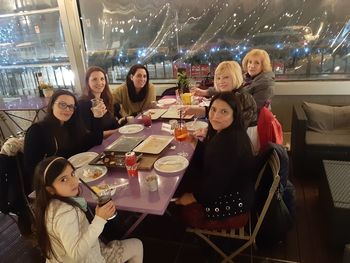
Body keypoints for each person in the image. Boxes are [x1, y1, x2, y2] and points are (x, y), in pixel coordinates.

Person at [33, 156, 143, 262]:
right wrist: (99, 219)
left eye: (72, 174)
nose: (73, 181)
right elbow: (76, 254)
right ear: (50, 189)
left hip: (69, 257)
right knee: (137, 245)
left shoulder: (48, 206)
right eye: (63, 179)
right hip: (89, 259)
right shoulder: (66, 213)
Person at [175, 92, 255, 230]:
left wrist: (190, 198)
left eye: (224, 111)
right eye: (213, 109)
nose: (215, 116)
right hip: (234, 191)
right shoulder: (228, 133)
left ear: (234, 115)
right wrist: (193, 140)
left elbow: (213, 187)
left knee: (181, 207)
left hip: (233, 206)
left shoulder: (229, 144)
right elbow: (210, 160)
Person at [23, 89, 105, 193]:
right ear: (52, 105)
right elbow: (32, 170)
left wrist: (97, 117)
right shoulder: (37, 131)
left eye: (71, 106)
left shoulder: (71, 126)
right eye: (62, 104)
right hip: (51, 187)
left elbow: (96, 140)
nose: (67, 109)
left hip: (75, 177)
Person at [79, 66, 123, 138]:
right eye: (94, 79)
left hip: (113, 141)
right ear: (87, 82)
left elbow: (114, 124)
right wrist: (116, 132)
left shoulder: (106, 99)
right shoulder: (83, 104)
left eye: (102, 79)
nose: (99, 82)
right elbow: (89, 134)